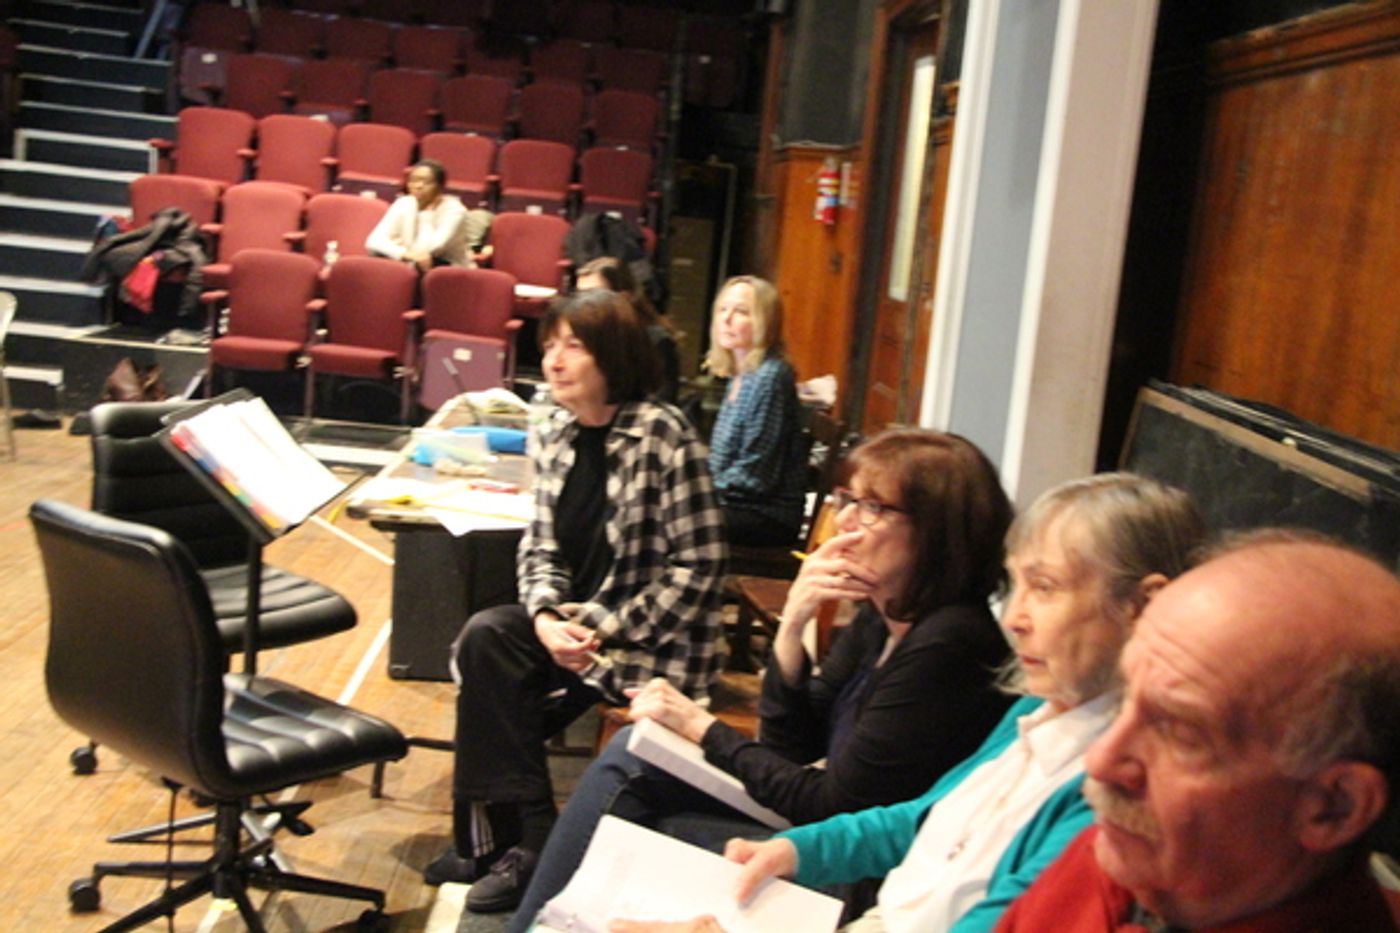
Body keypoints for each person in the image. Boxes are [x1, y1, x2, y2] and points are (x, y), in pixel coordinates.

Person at [611, 472, 1206, 933]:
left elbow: (1001, 919)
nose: (1017, 619)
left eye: (1044, 589)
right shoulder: (1034, 708)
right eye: (1016, 584)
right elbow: (926, 819)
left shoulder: (1114, 784)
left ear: (1141, 606)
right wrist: (798, 849)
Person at [507, 430, 1020, 932]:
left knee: (628, 799)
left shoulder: (951, 641)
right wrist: (792, 627)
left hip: (858, 877)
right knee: (632, 760)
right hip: (818, 838)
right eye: (847, 500)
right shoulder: (882, 615)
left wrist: (703, 728)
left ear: (938, 531)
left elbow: (829, 805)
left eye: (872, 508)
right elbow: (791, 746)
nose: (843, 522)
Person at [424, 290, 729, 914]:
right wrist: (541, 618)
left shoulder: (664, 435)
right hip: (571, 632)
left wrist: (601, 629)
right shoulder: (555, 430)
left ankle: (501, 844)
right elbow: (539, 547)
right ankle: (524, 837)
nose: (556, 361)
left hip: (650, 647)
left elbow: (701, 568)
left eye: (575, 346)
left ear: (613, 357)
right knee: (487, 640)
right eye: (550, 347)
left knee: (494, 692)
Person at [993, 532, 1400, 932]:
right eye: (1125, 699)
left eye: (1180, 732)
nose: (1100, 761)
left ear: (1333, 806)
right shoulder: (1117, 858)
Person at [705, 275, 807, 547]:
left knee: (669, 521)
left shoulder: (770, 377)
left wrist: (697, 489)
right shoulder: (741, 374)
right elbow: (722, 461)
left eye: (740, 312)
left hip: (766, 516)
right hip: (736, 504)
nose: (726, 319)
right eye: (723, 309)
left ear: (764, 322)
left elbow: (755, 475)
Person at [575, 256, 681, 404]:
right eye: (579, 295)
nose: (582, 304)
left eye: (594, 295)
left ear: (623, 298)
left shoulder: (656, 341)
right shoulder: (579, 336)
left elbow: (660, 402)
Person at [365, 159, 474, 270]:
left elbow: (432, 248)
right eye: (413, 180)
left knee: (420, 263)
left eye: (427, 182)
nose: (418, 186)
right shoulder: (404, 202)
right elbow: (373, 241)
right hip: (413, 260)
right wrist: (403, 253)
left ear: (440, 186)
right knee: (377, 257)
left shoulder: (455, 211)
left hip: (450, 268)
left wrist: (426, 214)